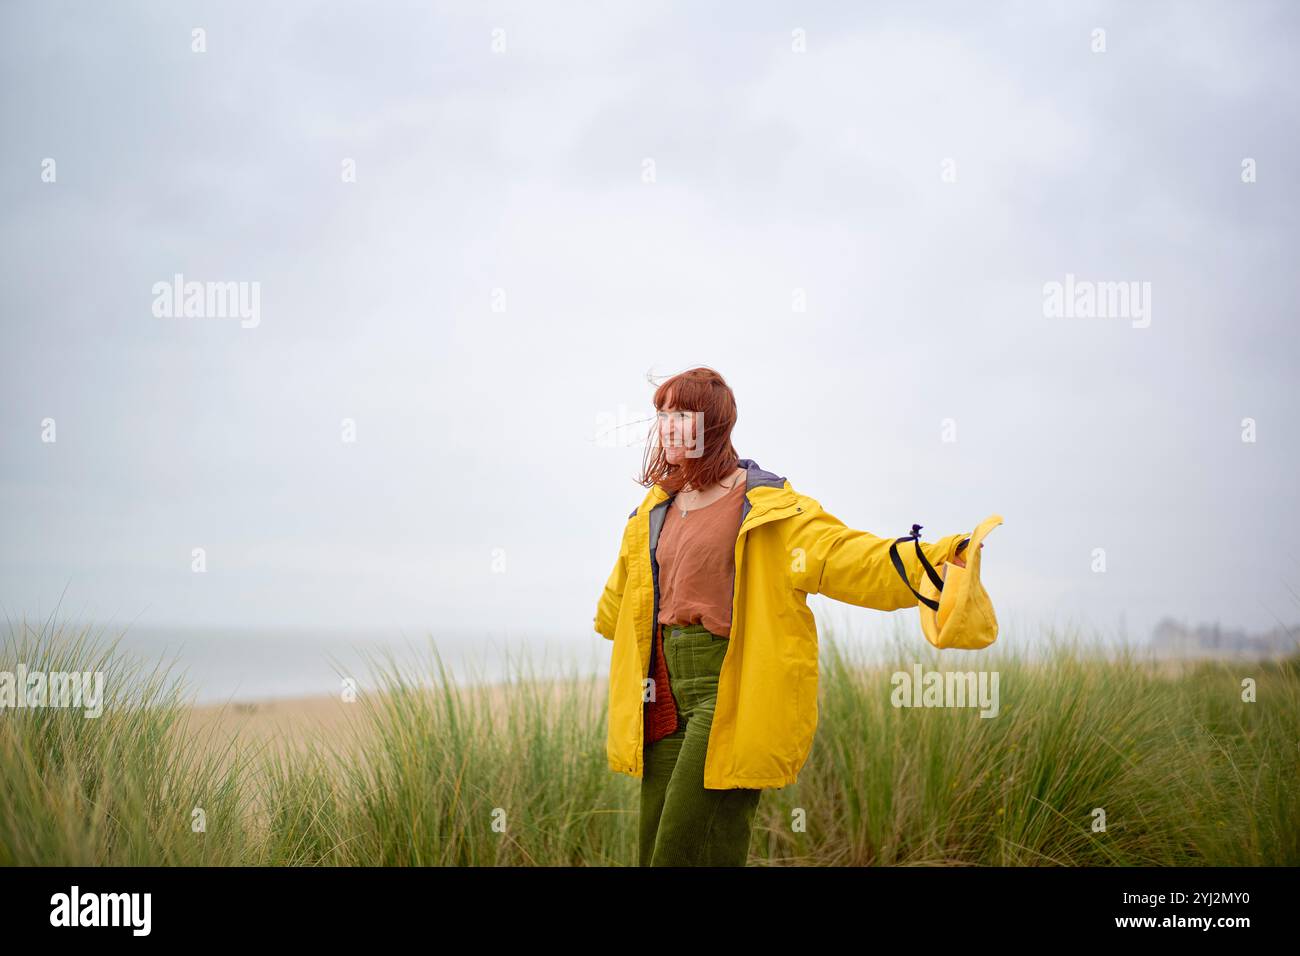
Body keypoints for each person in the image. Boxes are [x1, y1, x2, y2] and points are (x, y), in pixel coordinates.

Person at [594, 366, 982, 866]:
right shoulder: (653, 511)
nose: (667, 425)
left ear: (713, 424)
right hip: (663, 689)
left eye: (682, 413)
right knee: (653, 845)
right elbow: (626, 595)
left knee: (686, 847)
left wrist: (935, 559)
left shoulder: (767, 507)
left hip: (730, 683)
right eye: (662, 413)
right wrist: (613, 629)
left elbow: (847, 555)